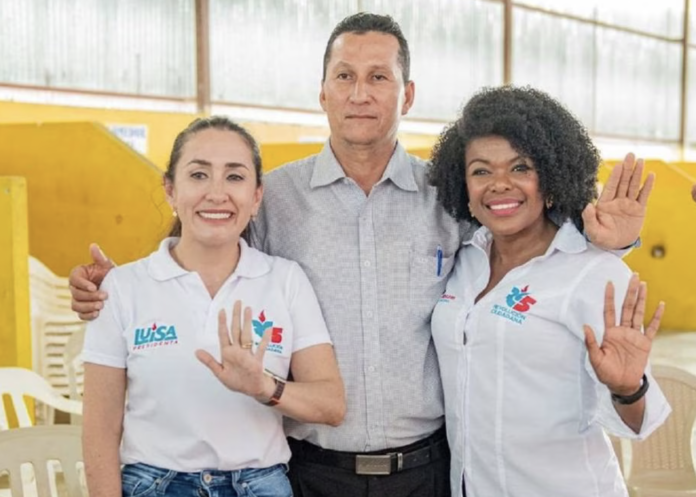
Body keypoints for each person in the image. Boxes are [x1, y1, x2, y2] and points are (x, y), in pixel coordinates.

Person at [71, 13, 654, 497]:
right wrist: (115, 288)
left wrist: (610, 241)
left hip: (429, 470)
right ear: (322, 91)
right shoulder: (276, 197)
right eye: (344, 76)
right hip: (308, 470)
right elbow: (206, 246)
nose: (360, 93)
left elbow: (525, 232)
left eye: (379, 77)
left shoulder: (450, 195)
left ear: (408, 94)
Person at [81, 116, 345, 497]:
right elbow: (100, 430)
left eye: (234, 177)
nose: (217, 193)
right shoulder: (122, 288)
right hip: (154, 486)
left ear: (256, 197)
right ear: (170, 190)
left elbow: (331, 405)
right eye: (198, 175)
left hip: (260, 486)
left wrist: (265, 387)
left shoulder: (286, 280)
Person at [428, 86, 671, 497]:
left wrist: (627, 389)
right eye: (481, 171)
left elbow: (640, 423)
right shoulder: (463, 259)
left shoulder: (593, 272)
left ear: (552, 178)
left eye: (520, 167)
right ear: (462, 185)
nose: (499, 184)